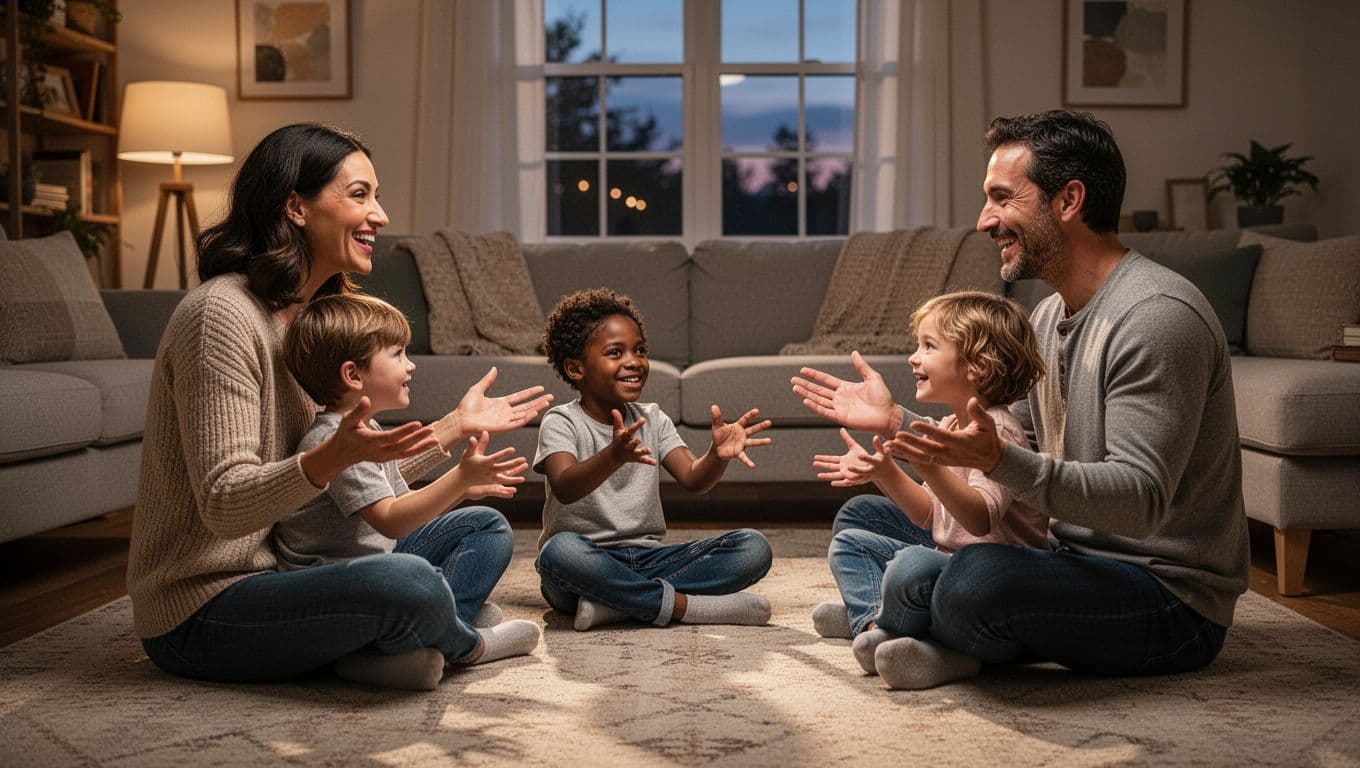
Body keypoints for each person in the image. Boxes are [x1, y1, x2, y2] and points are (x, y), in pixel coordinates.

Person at [791, 110, 1249, 688]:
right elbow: (1010, 435)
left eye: (1002, 198)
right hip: (1065, 555)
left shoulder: (1155, 318)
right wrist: (898, 422)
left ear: (1069, 200)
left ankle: (906, 618)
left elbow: (1140, 502)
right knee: (864, 514)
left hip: (1162, 595)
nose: (985, 221)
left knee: (977, 580)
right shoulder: (1052, 312)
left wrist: (992, 461)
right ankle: (907, 621)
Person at [127, 123, 553, 691]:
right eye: (360, 195)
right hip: (205, 605)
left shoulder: (314, 321)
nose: (380, 215)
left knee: (482, 527)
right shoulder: (221, 317)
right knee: (408, 583)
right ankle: (460, 640)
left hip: (290, 574)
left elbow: (353, 485)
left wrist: (453, 428)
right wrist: (327, 459)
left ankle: (390, 645)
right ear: (296, 208)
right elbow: (224, 505)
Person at [273, 293, 542, 687]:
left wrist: (463, 492)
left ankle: (428, 631)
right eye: (398, 354)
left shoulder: (371, 432)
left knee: (488, 526)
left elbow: (404, 509)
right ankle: (464, 643)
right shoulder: (331, 440)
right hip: (339, 581)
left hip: (379, 558)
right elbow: (391, 521)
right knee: (411, 573)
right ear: (353, 375)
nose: (411, 364)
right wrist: (459, 480)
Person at [809, 291, 1048, 688]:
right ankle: (874, 619)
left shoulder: (997, 431)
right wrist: (884, 472)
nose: (913, 357)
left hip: (988, 584)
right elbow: (931, 516)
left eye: (929, 346)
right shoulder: (951, 427)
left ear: (978, 368)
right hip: (950, 564)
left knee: (912, 565)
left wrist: (929, 465)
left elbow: (979, 518)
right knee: (850, 544)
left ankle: (886, 623)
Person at [533, 288, 775, 631]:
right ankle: (681, 606)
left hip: (649, 559)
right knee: (558, 554)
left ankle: (617, 605)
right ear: (576, 368)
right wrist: (612, 456)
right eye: (615, 352)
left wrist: (716, 456)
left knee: (753, 548)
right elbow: (565, 486)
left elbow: (694, 478)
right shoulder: (562, 421)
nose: (634, 361)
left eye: (640, 350)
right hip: (585, 561)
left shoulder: (653, 417)